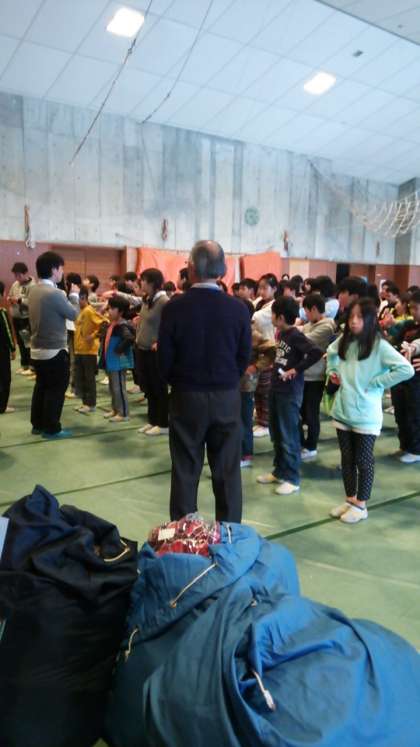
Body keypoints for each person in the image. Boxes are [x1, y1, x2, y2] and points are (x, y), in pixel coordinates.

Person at [158, 240, 251, 523]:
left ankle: (183, 532)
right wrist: (227, 379)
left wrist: (178, 381)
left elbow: (164, 358)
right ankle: (231, 532)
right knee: (227, 470)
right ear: (223, 270)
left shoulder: (175, 307)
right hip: (226, 396)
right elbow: (243, 356)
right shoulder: (238, 309)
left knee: (185, 466)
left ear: (190, 269)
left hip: (186, 394)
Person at [326, 299, 414, 524]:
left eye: (360, 317)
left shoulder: (379, 345)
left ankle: (361, 505)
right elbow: (330, 352)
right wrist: (333, 371)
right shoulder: (345, 340)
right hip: (342, 410)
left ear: (370, 319)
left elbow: (406, 369)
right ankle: (350, 499)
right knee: (347, 459)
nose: (354, 321)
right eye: (351, 316)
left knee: (363, 460)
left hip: (366, 415)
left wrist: (377, 383)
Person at [257, 297, 322, 495]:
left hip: (289, 392)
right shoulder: (281, 333)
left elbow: (316, 352)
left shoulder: (295, 335)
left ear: (280, 317)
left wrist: (296, 369)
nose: (271, 317)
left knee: (288, 435)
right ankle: (279, 471)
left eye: (273, 314)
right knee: (276, 433)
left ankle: (292, 478)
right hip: (276, 389)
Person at [28, 251, 77, 439]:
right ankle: (51, 428)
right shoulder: (55, 293)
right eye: (61, 268)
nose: (62, 272)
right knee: (56, 390)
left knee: (41, 387)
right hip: (54, 350)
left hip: (37, 349)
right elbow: (73, 314)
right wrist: (74, 296)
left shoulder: (33, 290)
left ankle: (38, 424)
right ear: (54, 269)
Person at [300, 294, 336, 460]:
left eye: (306, 311)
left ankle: (311, 446)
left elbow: (305, 341)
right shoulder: (309, 325)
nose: (305, 314)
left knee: (311, 412)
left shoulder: (327, 326)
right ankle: (302, 443)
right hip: (303, 374)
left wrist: (293, 333)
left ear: (314, 309)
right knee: (301, 411)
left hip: (316, 377)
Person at [135, 269, 169, 437]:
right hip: (142, 349)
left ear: (153, 283)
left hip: (155, 352)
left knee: (158, 388)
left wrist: (160, 341)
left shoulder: (164, 302)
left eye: (143, 280)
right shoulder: (147, 299)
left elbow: (170, 326)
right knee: (148, 387)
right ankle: (152, 420)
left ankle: (163, 423)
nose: (141, 283)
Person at [390, 290, 420, 463]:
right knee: (400, 412)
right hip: (401, 376)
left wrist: (412, 348)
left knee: (414, 413)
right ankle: (405, 445)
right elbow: (395, 343)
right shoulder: (408, 325)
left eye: (416, 308)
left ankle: (416, 450)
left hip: (416, 381)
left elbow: (416, 345)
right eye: (411, 308)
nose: (413, 312)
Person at [100, 297, 135, 423]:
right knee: (112, 387)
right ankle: (115, 409)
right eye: (108, 308)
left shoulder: (122, 326)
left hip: (118, 363)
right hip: (111, 362)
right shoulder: (113, 324)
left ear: (120, 312)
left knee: (118, 387)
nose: (109, 311)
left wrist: (119, 350)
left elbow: (129, 338)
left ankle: (123, 413)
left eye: (112, 309)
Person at [252, 274, 278, 438]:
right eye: (259, 288)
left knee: (265, 390)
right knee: (258, 389)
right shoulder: (259, 303)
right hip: (258, 350)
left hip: (268, 350)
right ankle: (261, 418)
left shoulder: (273, 306)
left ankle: (266, 423)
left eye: (264, 288)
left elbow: (256, 318)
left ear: (274, 289)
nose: (261, 291)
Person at [73, 288, 106, 414]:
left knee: (89, 379)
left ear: (84, 298)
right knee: (81, 378)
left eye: (79, 299)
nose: (78, 301)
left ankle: (91, 404)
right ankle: (85, 403)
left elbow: (104, 323)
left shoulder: (89, 311)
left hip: (89, 351)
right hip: (79, 350)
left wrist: (93, 336)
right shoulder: (81, 312)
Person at [7, 262, 35, 375]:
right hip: (16, 317)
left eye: (19, 275)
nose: (17, 278)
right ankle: (24, 365)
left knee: (28, 343)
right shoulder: (15, 284)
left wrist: (19, 300)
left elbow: (32, 302)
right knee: (20, 342)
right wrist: (10, 299)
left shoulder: (32, 285)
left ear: (25, 273)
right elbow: (9, 295)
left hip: (26, 318)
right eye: (15, 275)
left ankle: (32, 367)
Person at [0, 281, 16, 414]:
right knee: (5, 378)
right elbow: (7, 332)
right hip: (2, 351)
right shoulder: (2, 312)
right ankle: (2, 406)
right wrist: (13, 348)